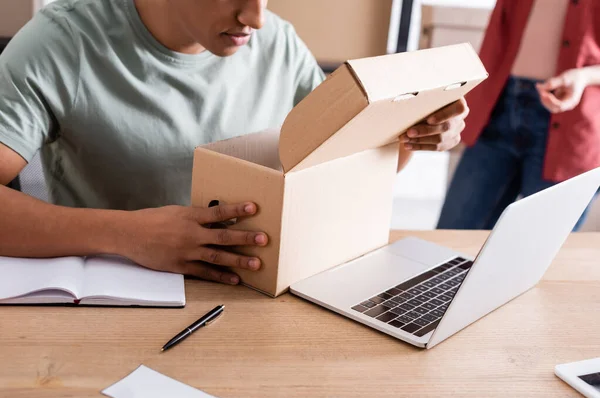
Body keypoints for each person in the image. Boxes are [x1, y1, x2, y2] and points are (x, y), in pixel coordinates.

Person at [0, 0, 468, 285]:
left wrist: (410, 134)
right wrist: (127, 234)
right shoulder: (63, 41)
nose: (256, 17)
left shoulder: (278, 43)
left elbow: (338, 164)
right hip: (118, 296)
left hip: (255, 292)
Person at [437, 0, 600, 231]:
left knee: (535, 252)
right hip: (499, 107)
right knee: (453, 238)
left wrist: (584, 77)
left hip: (572, 126)